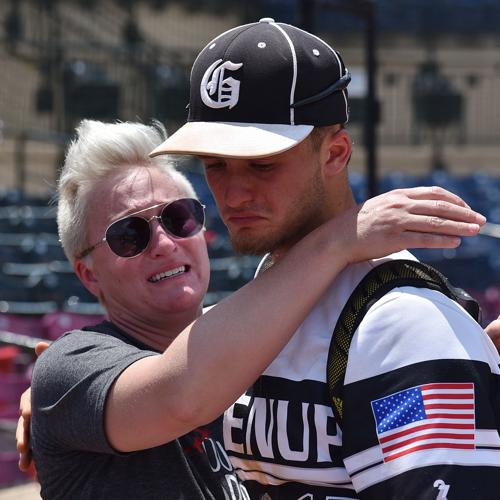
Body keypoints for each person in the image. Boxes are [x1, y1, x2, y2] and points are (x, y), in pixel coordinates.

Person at [24, 118, 485, 500]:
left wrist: (473, 354)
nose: (164, 244)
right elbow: (182, 394)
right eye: (130, 236)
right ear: (87, 275)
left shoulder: (254, 352)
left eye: (179, 216)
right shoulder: (70, 369)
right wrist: (340, 239)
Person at [148, 18, 500, 499]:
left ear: (335, 153)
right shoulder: (248, 315)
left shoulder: (404, 327)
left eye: (263, 164)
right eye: (215, 166)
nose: (233, 192)